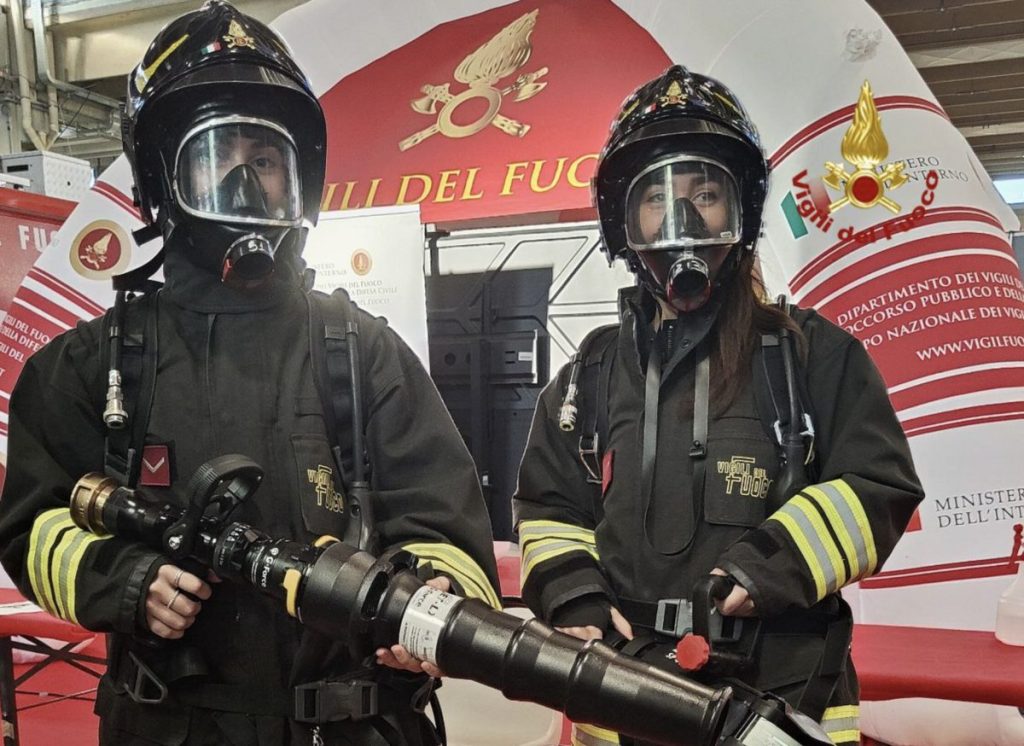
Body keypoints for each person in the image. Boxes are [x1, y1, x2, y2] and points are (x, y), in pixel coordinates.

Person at [0, 2, 499, 744]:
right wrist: (126, 582)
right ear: (162, 178)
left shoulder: (363, 351)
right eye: (214, 158)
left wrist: (429, 599)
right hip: (170, 725)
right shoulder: (90, 366)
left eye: (264, 160)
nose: (244, 184)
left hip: (353, 727)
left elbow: (446, 520)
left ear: (299, 178)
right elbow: (32, 526)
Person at [513, 65, 923, 746]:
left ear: (742, 213)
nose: (682, 220)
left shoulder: (812, 355)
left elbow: (878, 484)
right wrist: (574, 596)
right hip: (622, 704)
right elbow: (549, 507)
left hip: (781, 706)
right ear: (624, 224)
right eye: (655, 199)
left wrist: (769, 566)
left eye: (705, 193)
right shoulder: (591, 374)